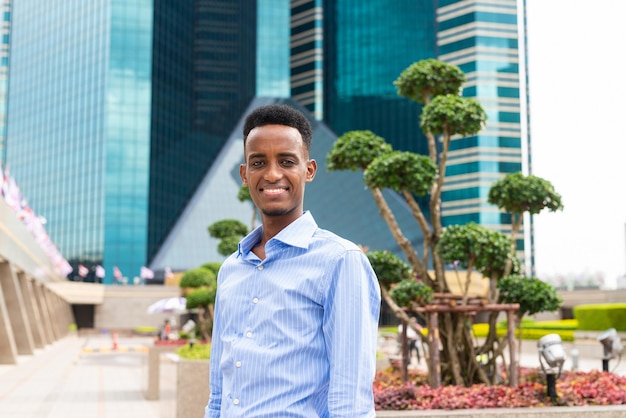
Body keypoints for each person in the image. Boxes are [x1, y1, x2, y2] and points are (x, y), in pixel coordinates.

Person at [205, 104, 381, 417]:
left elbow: (351, 398)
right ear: (245, 174)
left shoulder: (340, 261)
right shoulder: (231, 268)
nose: (272, 174)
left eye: (286, 161)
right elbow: (219, 390)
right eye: (259, 163)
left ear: (308, 170)